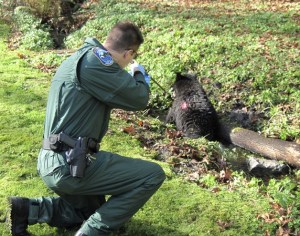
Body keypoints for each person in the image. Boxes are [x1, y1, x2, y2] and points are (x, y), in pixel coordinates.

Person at [8, 21, 166, 236]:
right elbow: (139, 98)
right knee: (152, 174)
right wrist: (139, 74)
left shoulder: (82, 57)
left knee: (93, 212)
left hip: (59, 159)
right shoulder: (98, 62)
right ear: (129, 53)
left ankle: (27, 209)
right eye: (133, 55)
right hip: (68, 164)